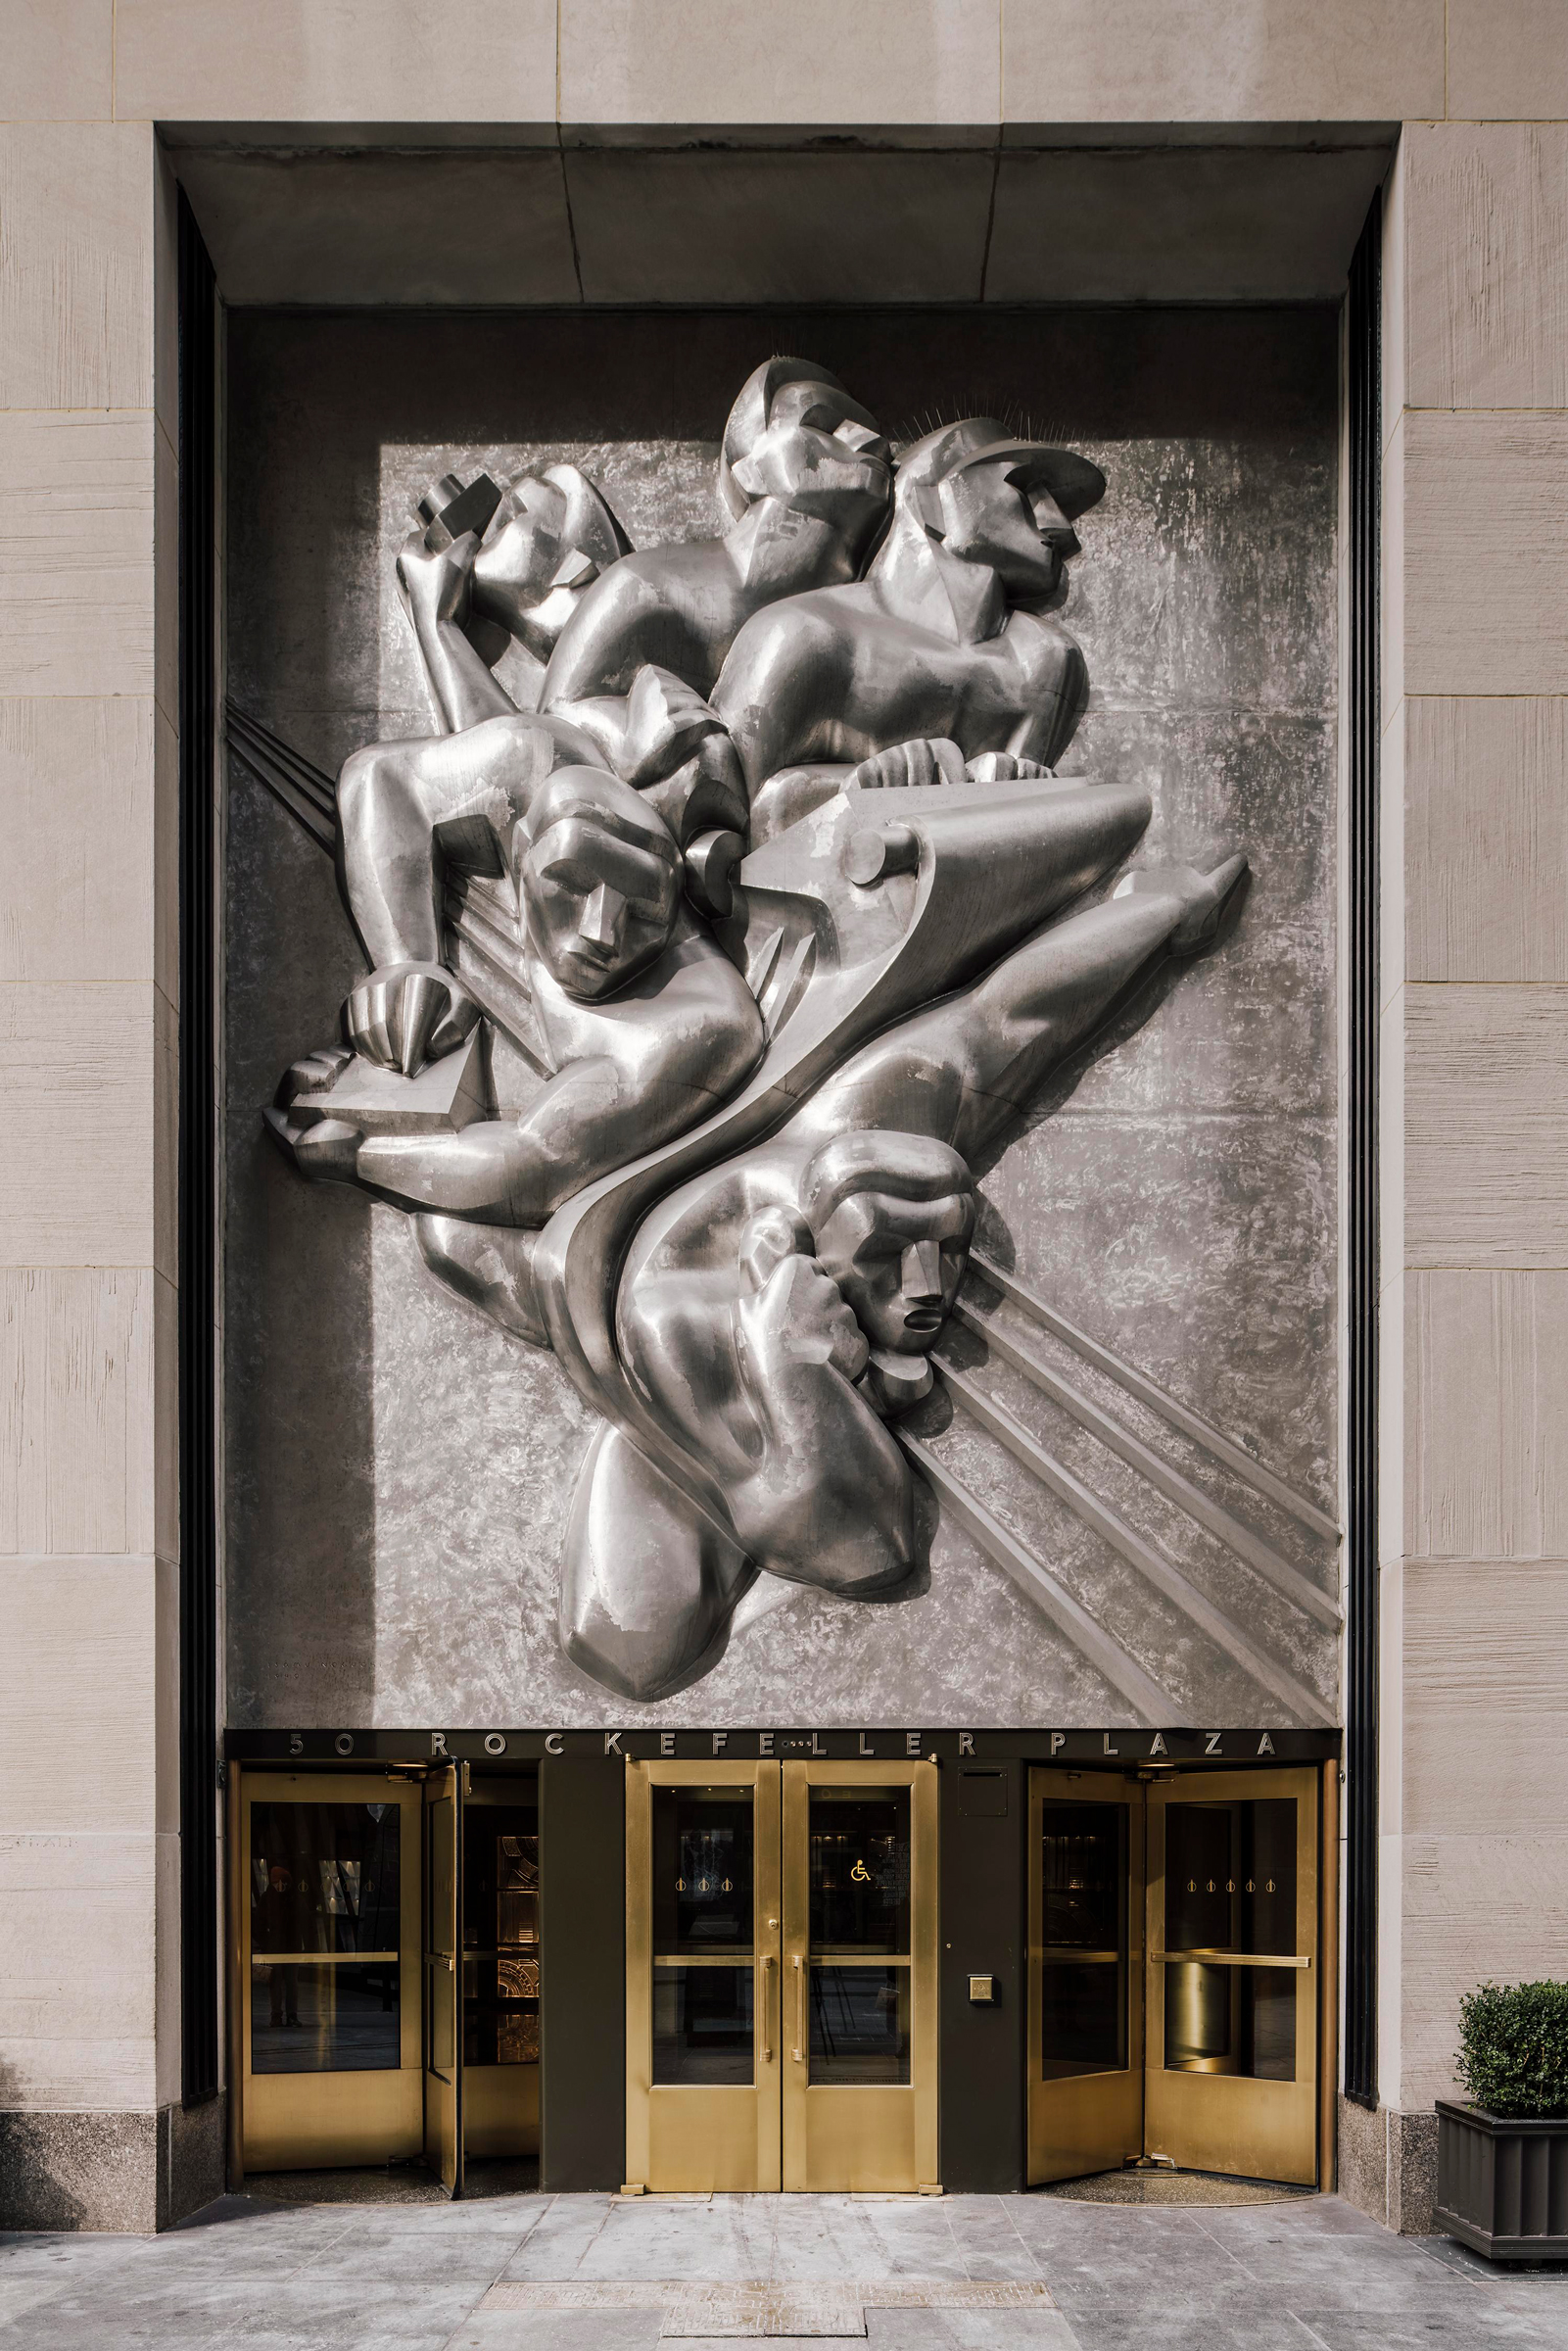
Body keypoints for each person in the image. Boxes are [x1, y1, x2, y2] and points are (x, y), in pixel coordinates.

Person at [561, 848, 1246, 1699]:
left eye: (944, 1254)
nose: (925, 1287)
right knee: (635, 1646)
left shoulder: (876, 1121)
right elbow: (861, 1547)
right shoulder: (678, 1321)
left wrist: (1161, 911)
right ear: (800, 1257)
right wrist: (796, 1373)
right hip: (661, 1400)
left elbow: (1006, 1015)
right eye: (887, 1264)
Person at [267, 768, 765, 1323]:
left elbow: (533, 1165)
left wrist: (359, 1154)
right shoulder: (527, 771)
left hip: (642, 1262)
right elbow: (380, 778)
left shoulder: (697, 1028)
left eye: (644, 913)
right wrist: (406, 960)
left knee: (454, 1237)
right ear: (522, 846)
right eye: (573, 883)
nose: (603, 932)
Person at [710, 417, 1106, 842]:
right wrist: (852, 792)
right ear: (934, 500)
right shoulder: (805, 636)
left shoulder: (1044, 662)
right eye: (1024, 489)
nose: (1060, 527)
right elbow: (720, 819)